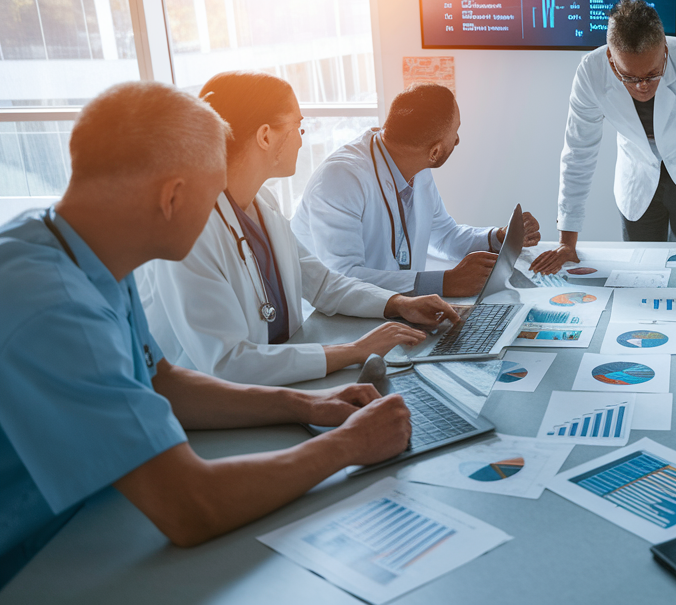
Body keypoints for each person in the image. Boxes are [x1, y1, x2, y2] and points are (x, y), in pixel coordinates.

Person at [0, 82, 414, 586]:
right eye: (212, 191)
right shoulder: (54, 305)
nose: (223, 209)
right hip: (33, 564)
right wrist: (348, 446)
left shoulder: (74, 244)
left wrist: (304, 405)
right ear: (173, 197)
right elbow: (188, 507)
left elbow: (162, 381)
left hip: (86, 523)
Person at [140, 72, 460, 387]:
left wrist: (399, 303)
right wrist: (352, 351)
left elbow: (321, 284)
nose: (302, 138)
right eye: (297, 126)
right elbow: (228, 363)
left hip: (283, 379)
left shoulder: (263, 203)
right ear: (265, 136)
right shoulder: (189, 232)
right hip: (220, 408)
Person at [531, 0, 676, 273]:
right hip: (636, 178)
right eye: (630, 78)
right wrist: (567, 241)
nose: (642, 87)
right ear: (612, 60)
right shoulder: (591, 73)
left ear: (664, 50)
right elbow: (578, 154)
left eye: (652, 74)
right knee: (641, 270)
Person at [292, 83, 540, 297]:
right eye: (455, 132)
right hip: (331, 324)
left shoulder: (417, 166)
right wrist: (445, 283)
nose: (457, 140)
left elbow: (444, 236)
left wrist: (497, 237)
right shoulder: (341, 179)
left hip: (394, 309)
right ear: (434, 152)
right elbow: (342, 279)